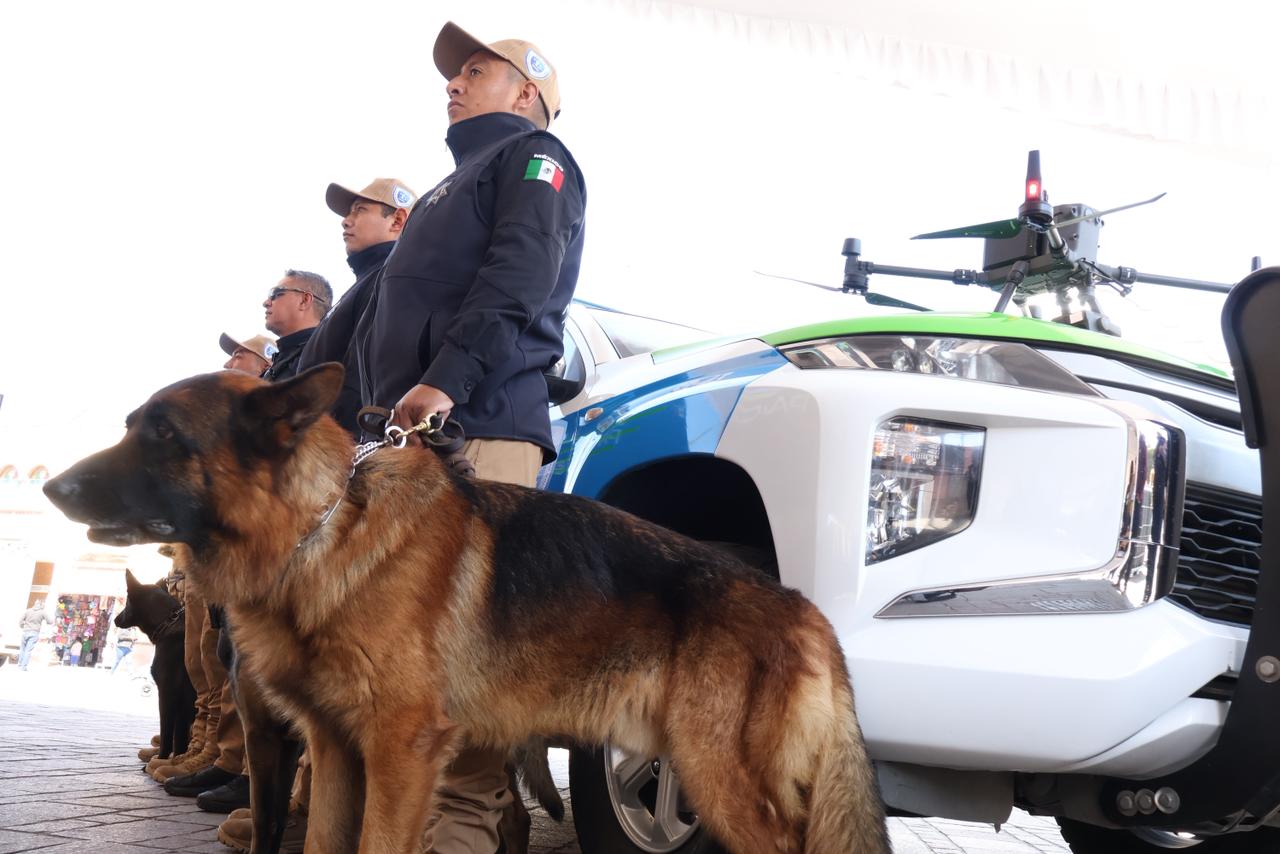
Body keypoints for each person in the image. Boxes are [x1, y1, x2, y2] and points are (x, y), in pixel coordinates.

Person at [354, 21, 586, 854]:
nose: (453, 82)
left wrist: (445, 380)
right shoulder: (450, 189)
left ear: (527, 94)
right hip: (410, 441)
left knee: (466, 661)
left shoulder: (535, 160)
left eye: (477, 71)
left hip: (474, 431)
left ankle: (459, 839)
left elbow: (520, 277)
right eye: (455, 73)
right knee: (403, 659)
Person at [296, 177, 416, 436]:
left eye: (359, 210)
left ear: (397, 221)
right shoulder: (368, 279)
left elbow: (364, 376)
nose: (345, 220)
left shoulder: (390, 279)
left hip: (347, 447)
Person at [262, 270, 331, 380]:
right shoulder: (285, 360)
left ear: (304, 300)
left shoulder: (325, 358)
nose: (266, 303)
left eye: (276, 294)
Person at [17, 600, 51, 670]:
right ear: (41, 605)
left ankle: (20, 664)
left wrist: (23, 626)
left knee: (22, 649)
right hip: (34, 632)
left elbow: (20, 621)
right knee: (28, 650)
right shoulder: (42, 612)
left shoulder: (28, 611)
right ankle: (24, 666)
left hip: (25, 632)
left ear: (34, 604)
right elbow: (49, 621)